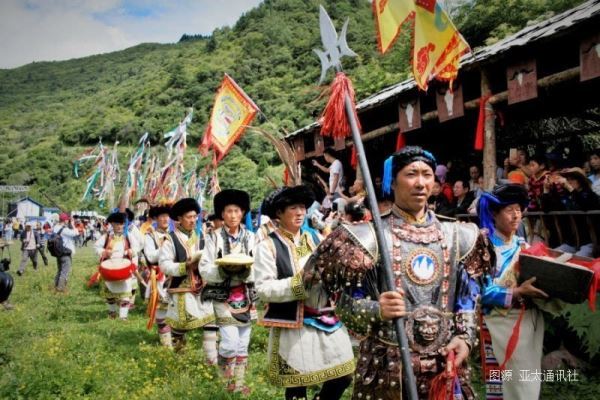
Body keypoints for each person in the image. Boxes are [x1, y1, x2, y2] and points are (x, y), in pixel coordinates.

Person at [310, 146, 491, 399]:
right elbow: (343, 305)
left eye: (427, 175)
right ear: (392, 182)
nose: (420, 183)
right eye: (411, 174)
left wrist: (465, 337)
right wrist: (375, 309)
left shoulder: (459, 235)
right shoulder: (367, 237)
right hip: (386, 366)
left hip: (444, 363)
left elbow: (468, 298)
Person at [254, 185, 354, 400]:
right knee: (297, 383)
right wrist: (299, 283)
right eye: (293, 207)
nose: (300, 212)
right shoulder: (267, 246)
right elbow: (263, 289)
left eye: (302, 207)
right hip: (293, 323)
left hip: (325, 317)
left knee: (344, 374)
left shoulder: (316, 239)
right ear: (279, 213)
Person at [477, 184, 549, 399]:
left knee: (526, 383)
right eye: (509, 210)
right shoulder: (484, 247)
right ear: (494, 213)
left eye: (518, 209)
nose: (516, 215)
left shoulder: (524, 246)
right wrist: (518, 291)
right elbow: (481, 293)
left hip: (527, 323)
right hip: (499, 324)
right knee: (503, 383)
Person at [200, 189, 256, 394]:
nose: (233, 215)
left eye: (237, 211)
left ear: (242, 213)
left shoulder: (251, 237)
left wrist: (246, 272)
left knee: (243, 343)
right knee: (230, 342)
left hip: (247, 295)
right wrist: (223, 270)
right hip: (222, 295)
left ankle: (238, 385)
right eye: (228, 211)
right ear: (221, 214)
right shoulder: (213, 238)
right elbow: (204, 267)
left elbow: (259, 265)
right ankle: (225, 383)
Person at [158, 198, 215, 351]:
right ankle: (179, 359)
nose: (193, 220)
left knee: (211, 322)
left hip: (203, 286)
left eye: (195, 216)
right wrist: (186, 266)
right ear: (179, 219)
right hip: (181, 288)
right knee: (180, 326)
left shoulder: (203, 236)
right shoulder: (170, 239)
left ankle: (211, 359)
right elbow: (164, 265)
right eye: (189, 217)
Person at [95, 211, 140, 320]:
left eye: (121, 224)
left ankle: (123, 317)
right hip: (110, 269)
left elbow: (137, 247)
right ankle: (112, 313)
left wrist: (131, 251)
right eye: (116, 224)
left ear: (124, 224)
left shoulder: (128, 236)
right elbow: (96, 247)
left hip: (124, 269)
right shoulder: (106, 237)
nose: (119, 226)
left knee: (125, 294)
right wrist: (104, 252)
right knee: (110, 294)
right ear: (112, 225)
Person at [143, 205, 173, 347]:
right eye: (161, 216)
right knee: (161, 311)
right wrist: (165, 247)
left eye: (167, 216)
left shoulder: (176, 234)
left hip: (176, 276)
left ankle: (178, 341)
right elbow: (150, 256)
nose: (165, 219)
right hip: (160, 278)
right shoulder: (150, 235)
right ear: (156, 218)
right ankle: (166, 346)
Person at [52, 213, 78, 292]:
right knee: (65, 271)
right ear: (65, 220)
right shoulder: (64, 229)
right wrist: (73, 225)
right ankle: (60, 289)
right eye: (67, 219)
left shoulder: (56, 227)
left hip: (58, 252)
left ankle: (56, 286)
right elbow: (76, 233)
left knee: (60, 270)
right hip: (65, 252)